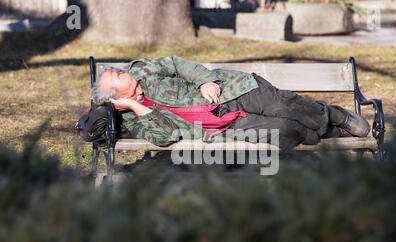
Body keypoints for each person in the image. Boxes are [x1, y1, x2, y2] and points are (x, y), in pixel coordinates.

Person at [91, 56, 370, 150]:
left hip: (231, 91)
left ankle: (334, 116)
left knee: (282, 106)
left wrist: (203, 81)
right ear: (119, 101)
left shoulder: (143, 69)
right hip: (221, 128)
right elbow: (164, 138)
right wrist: (139, 108)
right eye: (134, 91)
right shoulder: (133, 121)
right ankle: (328, 132)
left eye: (135, 80)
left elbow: (178, 64)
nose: (140, 85)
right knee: (283, 130)